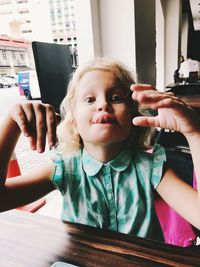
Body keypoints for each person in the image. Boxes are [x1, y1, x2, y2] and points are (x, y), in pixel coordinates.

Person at [0, 57, 200, 244]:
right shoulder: (64, 167)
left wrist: (194, 133)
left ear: (132, 116)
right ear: (74, 121)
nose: (103, 104)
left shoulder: (151, 168)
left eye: (115, 97)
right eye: (89, 100)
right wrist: (11, 122)